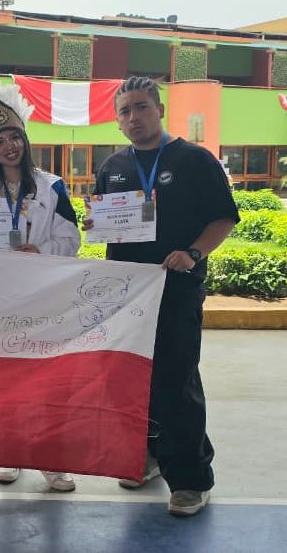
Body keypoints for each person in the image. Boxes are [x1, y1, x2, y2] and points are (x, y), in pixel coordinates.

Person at [83, 76, 239, 517]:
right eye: (125, 111)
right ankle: (147, 459)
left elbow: (224, 217)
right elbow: (102, 225)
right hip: (128, 294)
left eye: (142, 107)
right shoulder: (113, 166)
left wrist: (193, 253)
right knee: (133, 380)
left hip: (176, 290)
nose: (134, 117)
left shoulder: (194, 160)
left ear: (160, 110)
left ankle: (191, 479)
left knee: (177, 380)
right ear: (117, 121)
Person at [0, 71, 81, 492]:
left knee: (48, 380)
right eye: (0, 140)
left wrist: (42, 253)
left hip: (45, 297)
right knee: (5, 378)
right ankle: (10, 451)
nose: (9, 146)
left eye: (15, 137)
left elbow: (72, 239)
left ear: (25, 140)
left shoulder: (52, 187)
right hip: (0, 302)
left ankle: (52, 458)